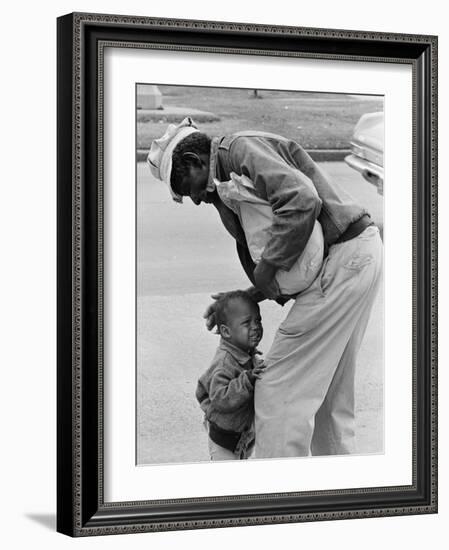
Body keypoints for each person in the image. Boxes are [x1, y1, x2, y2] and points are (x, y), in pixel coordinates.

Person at [148, 117, 383, 458]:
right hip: (356, 257)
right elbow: (291, 257)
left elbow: (300, 200)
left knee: (277, 393)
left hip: (343, 264)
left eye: (189, 188)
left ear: (194, 162)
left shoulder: (239, 149)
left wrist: (267, 268)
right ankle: (337, 492)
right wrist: (248, 295)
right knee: (329, 397)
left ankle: (279, 497)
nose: (196, 199)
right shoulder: (227, 172)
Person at [195, 291, 265, 460]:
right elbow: (220, 398)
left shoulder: (244, 353)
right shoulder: (224, 363)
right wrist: (246, 380)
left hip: (242, 435)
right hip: (223, 440)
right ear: (226, 332)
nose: (255, 327)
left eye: (258, 321)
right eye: (247, 323)